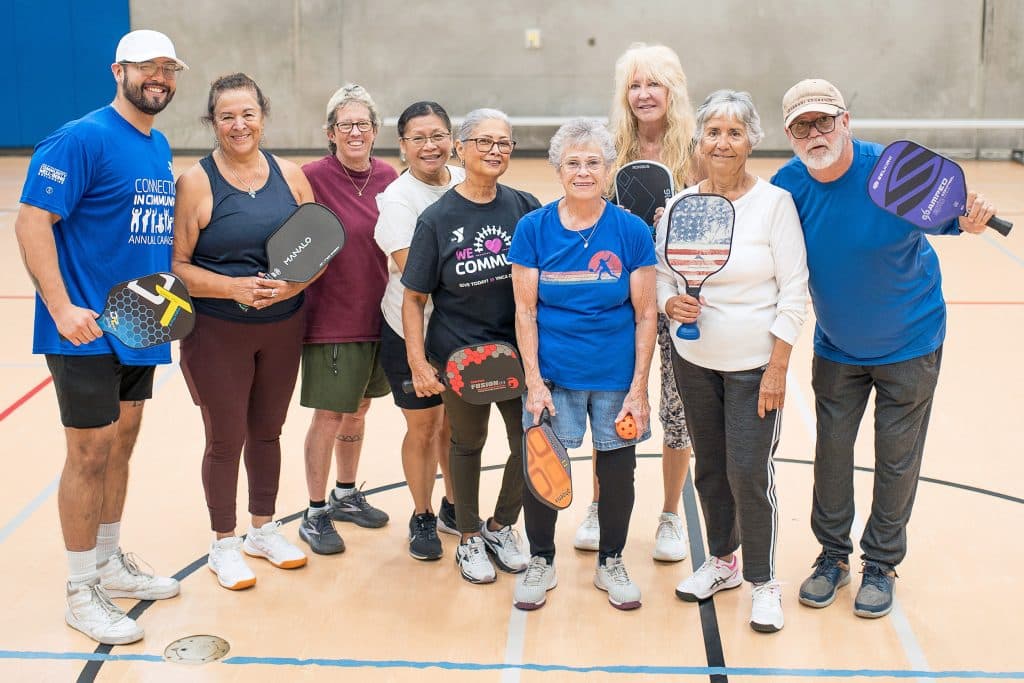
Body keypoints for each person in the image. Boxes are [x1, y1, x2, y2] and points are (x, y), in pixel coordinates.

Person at [771, 79, 998, 619]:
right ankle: (831, 557)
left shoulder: (892, 172)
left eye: (824, 121)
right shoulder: (786, 188)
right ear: (789, 134)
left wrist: (970, 218)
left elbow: (951, 217)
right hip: (837, 347)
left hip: (911, 343)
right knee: (831, 455)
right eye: (803, 125)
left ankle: (880, 563)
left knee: (896, 459)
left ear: (845, 120)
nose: (815, 133)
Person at [13, 29, 185, 646]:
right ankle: (79, 588)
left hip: (142, 321)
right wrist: (61, 307)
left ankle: (109, 561)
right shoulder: (80, 137)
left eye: (168, 68)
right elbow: (33, 222)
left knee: (123, 443)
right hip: (83, 326)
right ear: (119, 70)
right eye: (147, 67)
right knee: (88, 453)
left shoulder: (158, 143)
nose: (159, 78)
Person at [656, 90, 809, 633]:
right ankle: (722, 560)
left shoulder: (774, 205)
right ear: (698, 142)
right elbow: (663, 278)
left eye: (734, 132)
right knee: (712, 471)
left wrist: (777, 368)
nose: (722, 142)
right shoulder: (678, 207)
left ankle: (764, 581)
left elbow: (794, 292)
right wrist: (669, 302)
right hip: (693, 361)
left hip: (754, 366)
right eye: (713, 133)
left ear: (751, 142)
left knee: (749, 472)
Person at [173, 73, 316, 590]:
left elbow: (317, 249)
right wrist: (232, 287)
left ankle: (263, 528)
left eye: (247, 114)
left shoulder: (292, 175)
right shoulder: (195, 182)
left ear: (263, 115)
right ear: (213, 122)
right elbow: (178, 267)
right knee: (225, 437)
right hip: (217, 331)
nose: (239, 125)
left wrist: (290, 285)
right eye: (227, 116)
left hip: (282, 327)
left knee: (268, 431)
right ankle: (224, 542)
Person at [510, 118, 658, 611]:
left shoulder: (631, 230)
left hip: (616, 379)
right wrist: (532, 381)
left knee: (619, 473)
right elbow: (525, 310)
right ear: (557, 169)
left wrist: (639, 387)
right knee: (542, 471)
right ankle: (541, 560)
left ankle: (611, 561)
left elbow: (645, 314)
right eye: (573, 162)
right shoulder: (533, 229)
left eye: (593, 162)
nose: (583, 171)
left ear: (609, 169)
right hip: (553, 376)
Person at [402, 108, 539, 584]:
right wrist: (419, 362)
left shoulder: (524, 206)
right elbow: (414, 298)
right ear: (461, 149)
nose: (495, 151)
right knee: (467, 444)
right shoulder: (436, 219)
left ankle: (501, 526)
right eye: (484, 142)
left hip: (519, 355)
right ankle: (468, 537)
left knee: (531, 442)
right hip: (460, 356)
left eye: (504, 142)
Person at [574, 43, 697, 563]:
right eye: (634, 85)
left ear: (673, 90)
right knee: (610, 404)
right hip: (618, 303)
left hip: (677, 302)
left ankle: (670, 515)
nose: (644, 94)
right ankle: (601, 507)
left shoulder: (696, 149)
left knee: (677, 411)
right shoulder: (609, 150)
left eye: (654, 84)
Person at [295, 84, 397, 555]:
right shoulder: (310, 176)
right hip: (331, 318)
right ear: (330, 132)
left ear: (375, 131)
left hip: (379, 314)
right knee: (330, 414)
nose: (355, 132)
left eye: (363, 124)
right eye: (345, 125)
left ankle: (346, 493)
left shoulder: (388, 175)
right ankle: (314, 512)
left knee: (359, 409)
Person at [374, 101, 465, 560]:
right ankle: (423, 514)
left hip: (461, 330)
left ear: (452, 139)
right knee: (425, 426)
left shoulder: (468, 186)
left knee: (457, 425)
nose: (430, 146)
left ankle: (454, 506)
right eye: (418, 138)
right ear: (404, 146)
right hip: (410, 330)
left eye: (438, 135)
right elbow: (414, 273)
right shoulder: (398, 199)